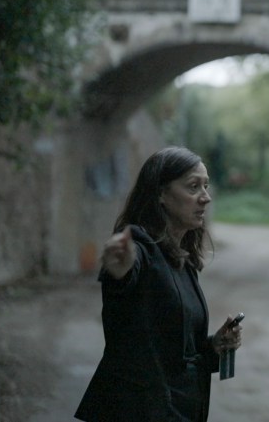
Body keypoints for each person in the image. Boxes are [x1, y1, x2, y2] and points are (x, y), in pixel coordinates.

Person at [75, 146, 242, 422]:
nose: (206, 197)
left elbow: (178, 356)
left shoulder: (181, 261)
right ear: (161, 194)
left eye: (206, 186)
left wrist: (215, 347)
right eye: (193, 187)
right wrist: (121, 267)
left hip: (178, 409)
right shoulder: (140, 248)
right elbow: (127, 275)